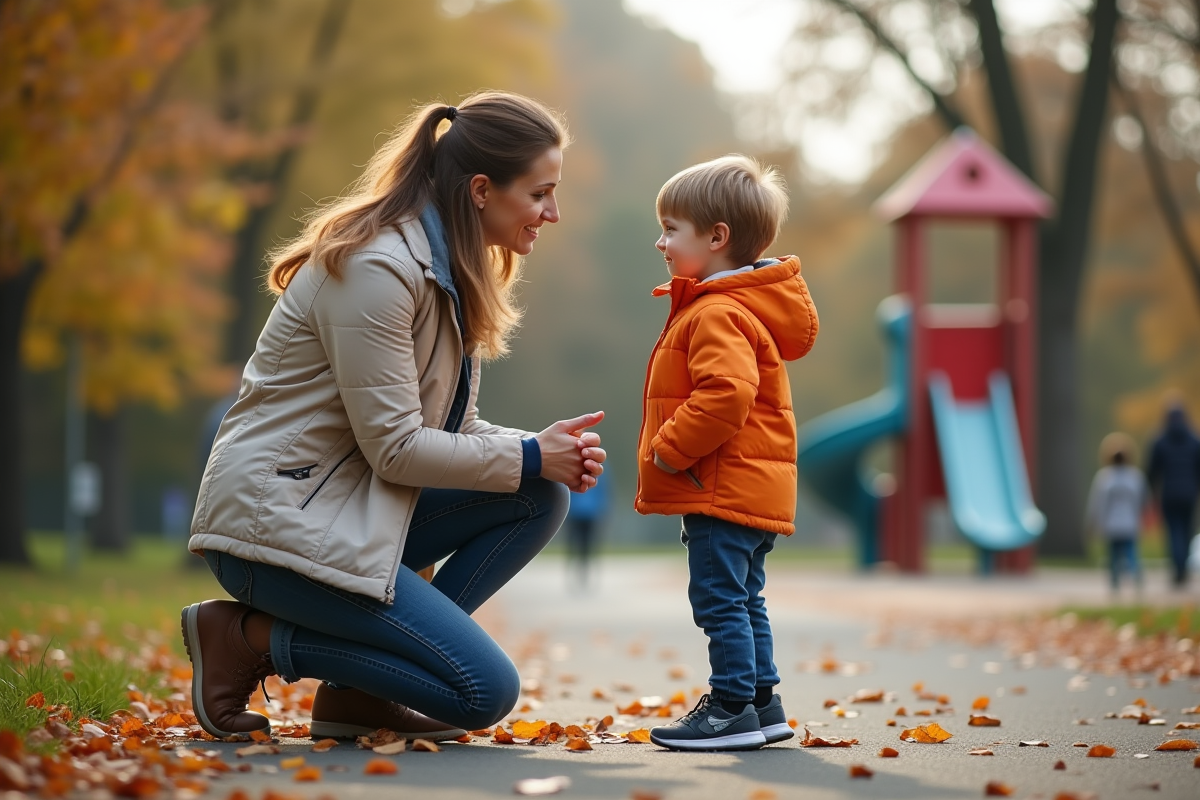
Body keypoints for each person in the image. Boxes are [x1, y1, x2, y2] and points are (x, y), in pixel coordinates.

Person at [182, 91, 607, 741]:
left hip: (346, 516)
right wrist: (527, 454)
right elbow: (397, 450)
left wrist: (543, 451)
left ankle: (358, 695)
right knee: (479, 691)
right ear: (483, 190)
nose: (552, 213)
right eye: (541, 193)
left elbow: (448, 431)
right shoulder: (379, 268)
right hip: (275, 534)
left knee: (537, 493)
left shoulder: (446, 268)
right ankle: (247, 637)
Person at [635, 155, 818, 750]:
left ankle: (732, 706)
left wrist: (668, 451)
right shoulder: (733, 307)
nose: (659, 241)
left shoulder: (715, 311)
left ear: (717, 238)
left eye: (671, 229)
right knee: (745, 597)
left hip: (718, 486)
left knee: (718, 600)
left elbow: (725, 395)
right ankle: (763, 702)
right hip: (742, 485)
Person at [1085, 433, 1147, 596]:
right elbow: (1142, 499)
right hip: (1129, 523)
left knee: (1113, 557)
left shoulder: (1105, 477)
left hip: (1111, 524)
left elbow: (1097, 503)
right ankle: (1136, 580)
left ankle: (1115, 585)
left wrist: (1092, 523)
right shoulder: (1135, 477)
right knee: (1131, 553)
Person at [1147, 399, 1200, 589]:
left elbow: (1152, 471)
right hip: (1190, 493)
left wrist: (1151, 492)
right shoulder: (1194, 440)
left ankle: (1177, 569)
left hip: (1169, 494)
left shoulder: (1159, 441)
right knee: (1187, 531)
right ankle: (1183, 568)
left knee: (1174, 532)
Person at [564, 471, 608, 587]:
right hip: (587, 513)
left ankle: (579, 575)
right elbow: (604, 492)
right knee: (585, 546)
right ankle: (582, 575)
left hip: (578, 512)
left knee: (576, 545)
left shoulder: (575, 464)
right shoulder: (601, 468)